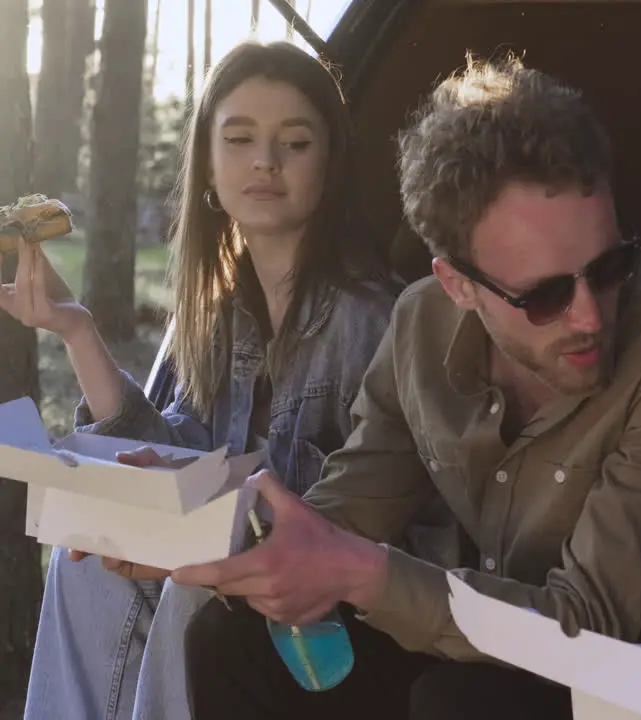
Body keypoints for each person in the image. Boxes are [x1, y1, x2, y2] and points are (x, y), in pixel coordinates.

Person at [171, 55, 641, 719]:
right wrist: (166, 523)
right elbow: (341, 516)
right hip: (480, 647)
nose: (590, 316)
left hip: (639, 680)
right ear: (457, 284)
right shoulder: (419, 324)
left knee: (461, 702)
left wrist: (366, 573)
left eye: (612, 268)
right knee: (227, 642)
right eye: (544, 294)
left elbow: (590, 625)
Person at [10, 42, 400, 720]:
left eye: (295, 143)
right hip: (224, 577)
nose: (265, 162)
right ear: (209, 169)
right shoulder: (216, 313)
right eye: (240, 137)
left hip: (328, 622)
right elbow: (174, 449)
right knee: (85, 561)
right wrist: (76, 329)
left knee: (199, 576)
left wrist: (216, 532)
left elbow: (385, 520)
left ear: (330, 164)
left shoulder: (378, 318)